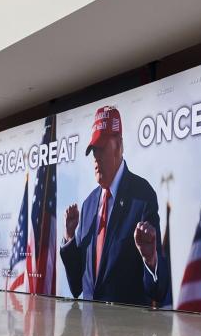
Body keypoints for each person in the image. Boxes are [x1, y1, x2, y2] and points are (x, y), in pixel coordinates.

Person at [60, 106, 170, 307]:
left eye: (101, 148)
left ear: (119, 145)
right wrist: (69, 237)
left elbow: (158, 290)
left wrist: (151, 260)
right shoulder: (88, 205)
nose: (96, 157)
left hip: (125, 335)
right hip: (88, 334)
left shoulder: (142, 196)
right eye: (93, 150)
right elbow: (77, 286)